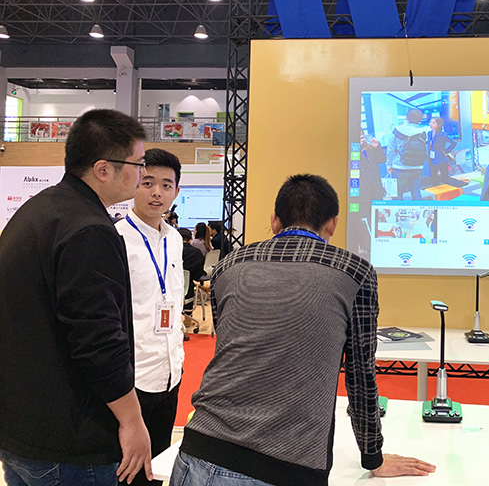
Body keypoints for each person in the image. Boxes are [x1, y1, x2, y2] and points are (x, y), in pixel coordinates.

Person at [170, 174, 436, 485]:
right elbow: (360, 375)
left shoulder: (229, 265)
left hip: (198, 451)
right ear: (333, 224)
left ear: (274, 221)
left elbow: (227, 343)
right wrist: (372, 457)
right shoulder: (355, 272)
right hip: (286, 466)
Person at [0, 109, 152, 485]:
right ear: (103, 169)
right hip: (69, 442)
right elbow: (97, 342)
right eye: (138, 164)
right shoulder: (88, 230)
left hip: (22, 428)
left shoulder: (38, 211)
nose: (142, 174)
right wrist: (133, 421)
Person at [116, 148, 185, 486]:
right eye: (148, 182)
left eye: (166, 185)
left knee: (157, 467)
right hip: (132, 379)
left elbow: (174, 298)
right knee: (129, 471)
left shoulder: (175, 239)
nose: (157, 192)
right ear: (134, 184)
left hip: (170, 373)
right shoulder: (116, 238)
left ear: (176, 191)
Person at [386, 108, 428, 200]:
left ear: (407, 118)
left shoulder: (396, 131)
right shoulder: (423, 132)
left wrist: (389, 165)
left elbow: (391, 151)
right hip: (417, 167)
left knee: (398, 195)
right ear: (420, 119)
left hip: (399, 167)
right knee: (416, 193)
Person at [427, 117, 456, 186]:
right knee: (433, 176)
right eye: (430, 122)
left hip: (441, 158)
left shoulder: (442, 134)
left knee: (444, 177)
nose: (431, 124)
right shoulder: (429, 133)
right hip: (432, 157)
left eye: (433, 123)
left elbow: (453, 142)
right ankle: (435, 187)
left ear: (439, 124)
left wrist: (446, 151)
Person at [180, 228, 206, 305]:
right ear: (190, 240)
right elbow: (198, 274)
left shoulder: (169, 251)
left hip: (170, 292)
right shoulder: (196, 253)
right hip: (188, 292)